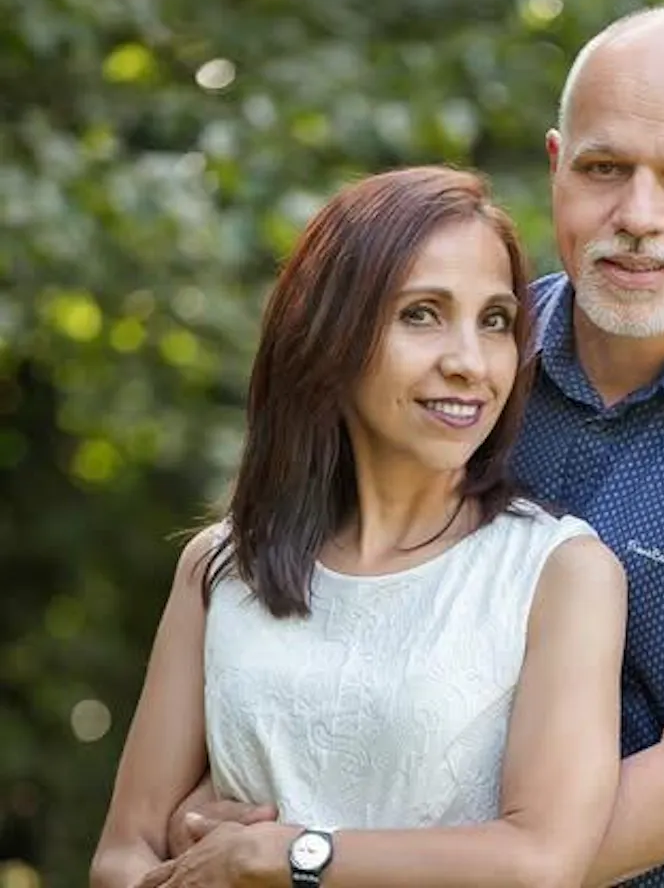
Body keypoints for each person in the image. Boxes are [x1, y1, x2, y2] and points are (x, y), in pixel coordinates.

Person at [169, 5, 664, 886]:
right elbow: (336, 622)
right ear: (557, 167)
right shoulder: (468, 367)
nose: (640, 215)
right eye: (604, 168)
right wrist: (231, 803)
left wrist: (326, 862)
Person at [89, 166, 627, 888]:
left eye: (495, 321)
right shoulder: (221, 567)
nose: (469, 363)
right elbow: (122, 855)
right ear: (330, 336)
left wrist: (287, 858)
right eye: (422, 314)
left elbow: (540, 862)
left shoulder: (560, 573)